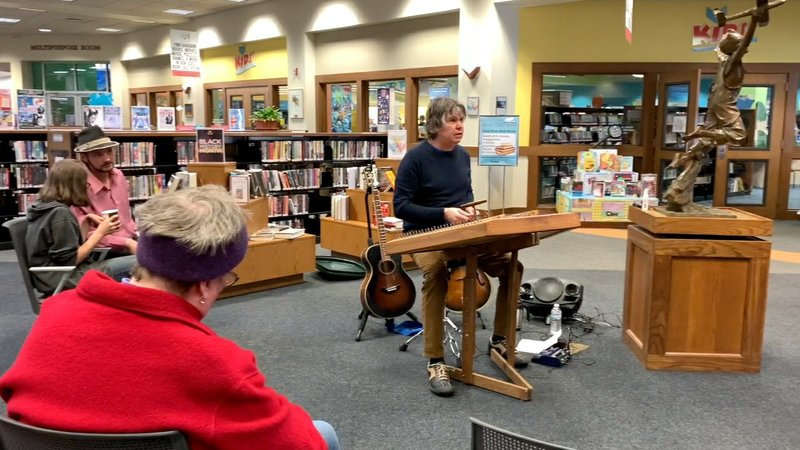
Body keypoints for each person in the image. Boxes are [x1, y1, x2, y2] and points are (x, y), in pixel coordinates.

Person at [0, 185, 340, 450]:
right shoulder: (214, 363)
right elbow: (300, 443)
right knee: (322, 432)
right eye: (227, 279)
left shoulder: (56, 312)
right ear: (205, 285)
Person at [393, 97, 528, 397]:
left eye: (461, 121)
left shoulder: (463, 157)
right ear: (435, 124)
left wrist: (469, 213)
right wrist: (443, 212)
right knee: (436, 273)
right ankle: (435, 361)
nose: (459, 127)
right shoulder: (415, 158)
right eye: (453, 121)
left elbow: (465, 194)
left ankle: (500, 341)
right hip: (426, 235)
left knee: (512, 267)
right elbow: (401, 207)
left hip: (461, 232)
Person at [663, 1, 784, 211]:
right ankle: (702, 134)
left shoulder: (722, 60)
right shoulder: (732, 63)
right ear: (737, 51)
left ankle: (679, 183)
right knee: (737, 134)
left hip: (713, 106)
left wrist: (729, 28)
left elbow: (721, 48)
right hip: (725, 107)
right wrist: (754, 21)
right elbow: (744, 44)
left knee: (700, 151)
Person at [25, 159, 135, 295]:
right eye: (84, 182)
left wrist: (87, 220)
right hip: (63, 277)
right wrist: (100, 233)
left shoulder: (44, 206)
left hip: (51, 275)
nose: (87, 186)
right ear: (75, 185)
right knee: (139, 262)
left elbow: (69, 246)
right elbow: (70, 260)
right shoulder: (60, 215)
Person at [71, 125, 138, 255]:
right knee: (152, 268)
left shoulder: (119, 176)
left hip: (131, 240)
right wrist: (126, 243)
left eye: (109, 151)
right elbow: (85, 234)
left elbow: (126, 218)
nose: (107, 158)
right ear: (84, 157)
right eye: (98, 155)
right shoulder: (79, 186)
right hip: (103, 250)